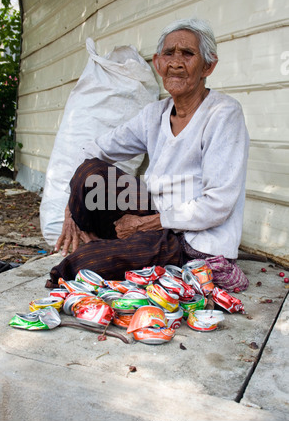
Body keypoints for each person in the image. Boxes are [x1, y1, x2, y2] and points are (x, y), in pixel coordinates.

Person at [46, 18, 250, 292]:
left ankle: (116, 249)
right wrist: (72, 209)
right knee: (89, 172)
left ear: (208, 66)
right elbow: (94, 150)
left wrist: (144, 224)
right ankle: (115, 243)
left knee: (80, 265)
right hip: (153, 210)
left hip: (189, 238)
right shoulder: (155, 114)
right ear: (157, 63)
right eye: (169, 53)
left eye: (188, 54)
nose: (176, 63)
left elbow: (218, 204)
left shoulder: (224, 114)